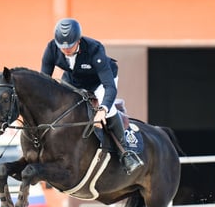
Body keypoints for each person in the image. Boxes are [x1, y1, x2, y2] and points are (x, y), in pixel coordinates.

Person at [40, 18, 144, 174]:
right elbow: (44, 82)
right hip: (73, 80)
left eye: (70, 45)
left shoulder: (94, 49)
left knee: (109, 111)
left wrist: (102, 109)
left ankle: (125, 152)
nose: (66, 49)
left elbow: (109, 86)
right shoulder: (51, 48)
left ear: (79, 40)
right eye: (62, 46)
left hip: (100, 82)